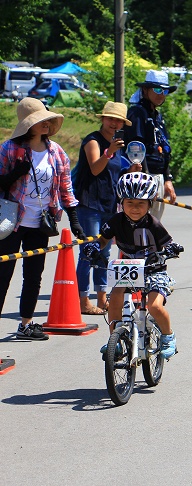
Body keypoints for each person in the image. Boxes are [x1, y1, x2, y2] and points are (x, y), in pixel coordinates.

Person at [0, 97, 85, 340]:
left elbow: (66, 189)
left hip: (41, 223)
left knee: (34, 275)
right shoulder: (8, 149)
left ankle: (26, 324)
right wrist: (16, 173)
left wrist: (75, 220)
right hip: (10, 222)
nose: (46, 124)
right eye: (40, 121)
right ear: (28, 125)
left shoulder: (56, 152)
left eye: (47, 120)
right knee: (2, 276)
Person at [83, 172, 182, 359]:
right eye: (130, 203)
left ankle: (168, 337)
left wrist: (172, 249)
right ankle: (116, 340)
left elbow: (168, 244)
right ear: (121, 203)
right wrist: (95, 247)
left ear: (149, 204)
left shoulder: (153, 224)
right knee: (114, 301)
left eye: (141, 204)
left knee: (154, 306)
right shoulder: (116, 221)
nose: (135, 208)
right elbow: (103, 239)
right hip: (128, 267)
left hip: (154, 269)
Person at [74, 102, 133, 315]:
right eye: (110, 119)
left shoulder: (117, 146)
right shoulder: (93, 141)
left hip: (109, 205)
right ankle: (83, 300)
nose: (113, 123)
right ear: (103, 119)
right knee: (88, 252)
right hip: (89, 204)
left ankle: (101, 298)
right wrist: (109, 152)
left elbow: (115, 175)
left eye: (118, 120)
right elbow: (96, 169)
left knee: (104, 253)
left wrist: (131, 169)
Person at [124, 70, 178, 220]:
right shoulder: (137, 113)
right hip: (143, 178)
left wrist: (167, 179)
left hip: (158, 176)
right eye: (157, 89)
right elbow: (136, 149)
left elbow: (164, 149)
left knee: (154, 226)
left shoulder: (157, 115)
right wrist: (146, 181)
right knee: (141, 226)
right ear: (145, 90)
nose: (161, 94)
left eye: (165, 90)